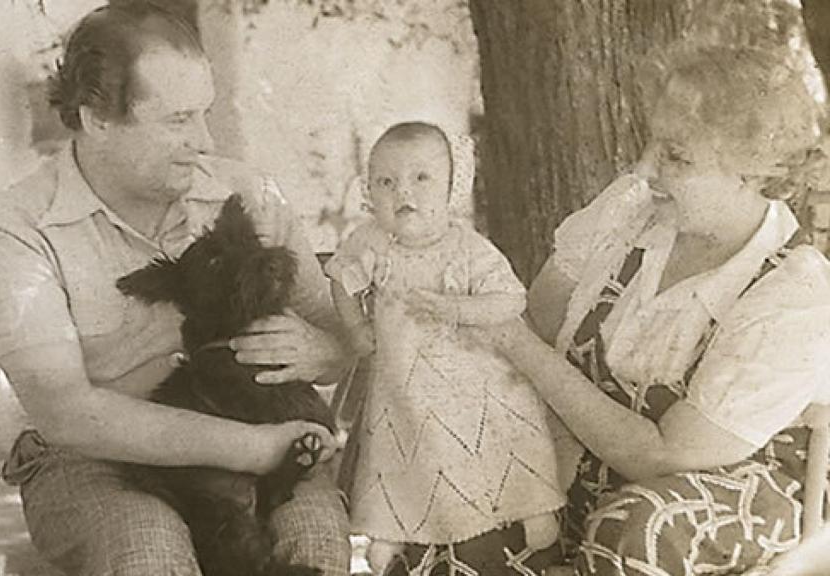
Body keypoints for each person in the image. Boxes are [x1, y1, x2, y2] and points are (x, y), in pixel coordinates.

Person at [0, 2, 351, 574]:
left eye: (205, 114)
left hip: (262, 422)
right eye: (177, 120)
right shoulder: (13, 232)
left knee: (314, 538)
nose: (203, 140)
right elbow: (68, 414)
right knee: (148, 548)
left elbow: (340, 340)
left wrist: (323, 350)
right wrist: (252, 449)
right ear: (96, 117)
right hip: (95, 461)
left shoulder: (247, 195)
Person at [489, 44, 830, 574]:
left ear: (752, 171)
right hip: (582, 474)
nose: (645, 169)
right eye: (651, 142)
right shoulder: (628, 213)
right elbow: (538, 318)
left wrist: (520, 348)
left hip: (718, 503)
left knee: (640, 528)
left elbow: (663, 453)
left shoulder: (794, 292)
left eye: (676, 155)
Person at [326, 122, 567, 576]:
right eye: (386, 182)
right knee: (402, 448)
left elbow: (511, 299)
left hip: (475, 379)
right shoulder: (372, 243)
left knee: (501, 440)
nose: (404, 193)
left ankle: (529, 506)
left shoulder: (468, 247)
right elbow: (340, 278)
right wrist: (356, 327)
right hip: (405, 380)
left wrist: (458, 308)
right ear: (369, 192)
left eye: (422, 178)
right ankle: (392, 527)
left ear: (452, 188)